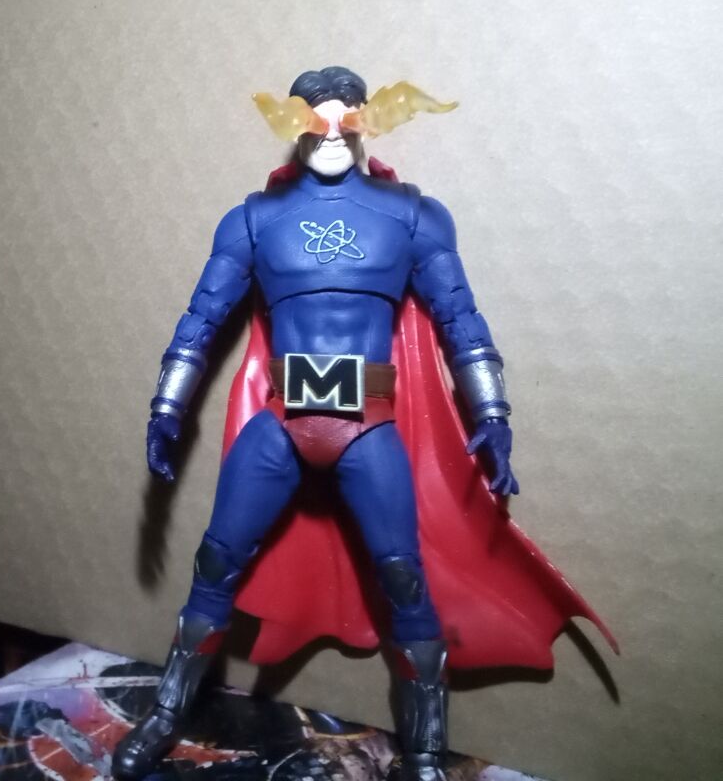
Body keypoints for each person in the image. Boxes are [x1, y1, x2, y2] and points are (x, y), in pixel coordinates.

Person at [116, 66, 525, 781]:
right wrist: (167, 404)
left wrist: (490, 410)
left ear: (368, 120)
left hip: (368, 424)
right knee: (213, 568)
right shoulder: (253, 219)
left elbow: (461, 321)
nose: (332, 133)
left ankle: (424, 754)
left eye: (347, 117)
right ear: (293, 124)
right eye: (315, 118)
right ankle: (165, 714)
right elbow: (201, 321)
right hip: (281, 422)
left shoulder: (412, 215)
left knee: (404, 582)